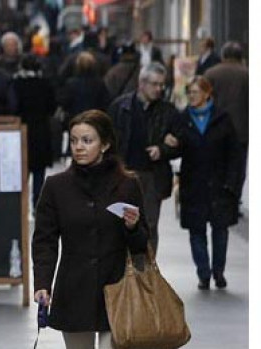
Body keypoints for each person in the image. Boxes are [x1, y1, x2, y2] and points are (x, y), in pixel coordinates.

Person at [32, 110, 148, 349]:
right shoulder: (56, 187)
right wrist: (43, 283)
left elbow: (141, 245)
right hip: (74, 290)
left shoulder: (127, 185)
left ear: (105, 144)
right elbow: (45, 240)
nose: (79, 147)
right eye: (74, 140)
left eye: (87, 140)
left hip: (116, 289)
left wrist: (133, 227)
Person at [167, 76, 240, 290]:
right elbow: (177, 147)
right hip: (193, 182)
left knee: (220, 230)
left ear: (207, 94)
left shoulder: (222, 118)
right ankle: (204, 273)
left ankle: (219, 272)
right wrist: (172, 142)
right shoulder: (182, 119)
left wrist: (232, 182)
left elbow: (234, 154)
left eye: (196, 92)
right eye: (189, 92)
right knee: (196, 231)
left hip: (219, 184)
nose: (191, 96)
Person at [107, 63, 178, 252]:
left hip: (152, 176)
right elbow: (108, 140)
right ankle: (123, 272)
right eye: (154, 84)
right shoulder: (120, 107)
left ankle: (146, 272)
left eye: (162, 85)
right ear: (141, 83)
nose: (159, 89)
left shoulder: (167, 111)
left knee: (149, 224)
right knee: (121, 222)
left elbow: (181, 143)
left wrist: (163, 150)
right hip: (124, 173)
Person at [204, 42, 248, 208]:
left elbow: (203, 100)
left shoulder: (211, 73)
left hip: (216, 128)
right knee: (238, 166)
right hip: (242, 129)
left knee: (217, 163)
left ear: (223, 56)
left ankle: (217, 196)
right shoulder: (248, 75)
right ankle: (234, 198)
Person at [11, 55, 57, 207]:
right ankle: (36, 203)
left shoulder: (16, 84)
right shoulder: (45, 84)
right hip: (40, 132)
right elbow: (52, 107)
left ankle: (19, 203)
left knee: (21, 169)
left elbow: (13, 107)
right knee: (39, 171)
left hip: (21, 132)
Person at [59, 52, 111, 124]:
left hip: (75, 118)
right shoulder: (99, 83)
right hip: (94, 119)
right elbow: (105, 102)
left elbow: (64, 102)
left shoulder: (71, 83)